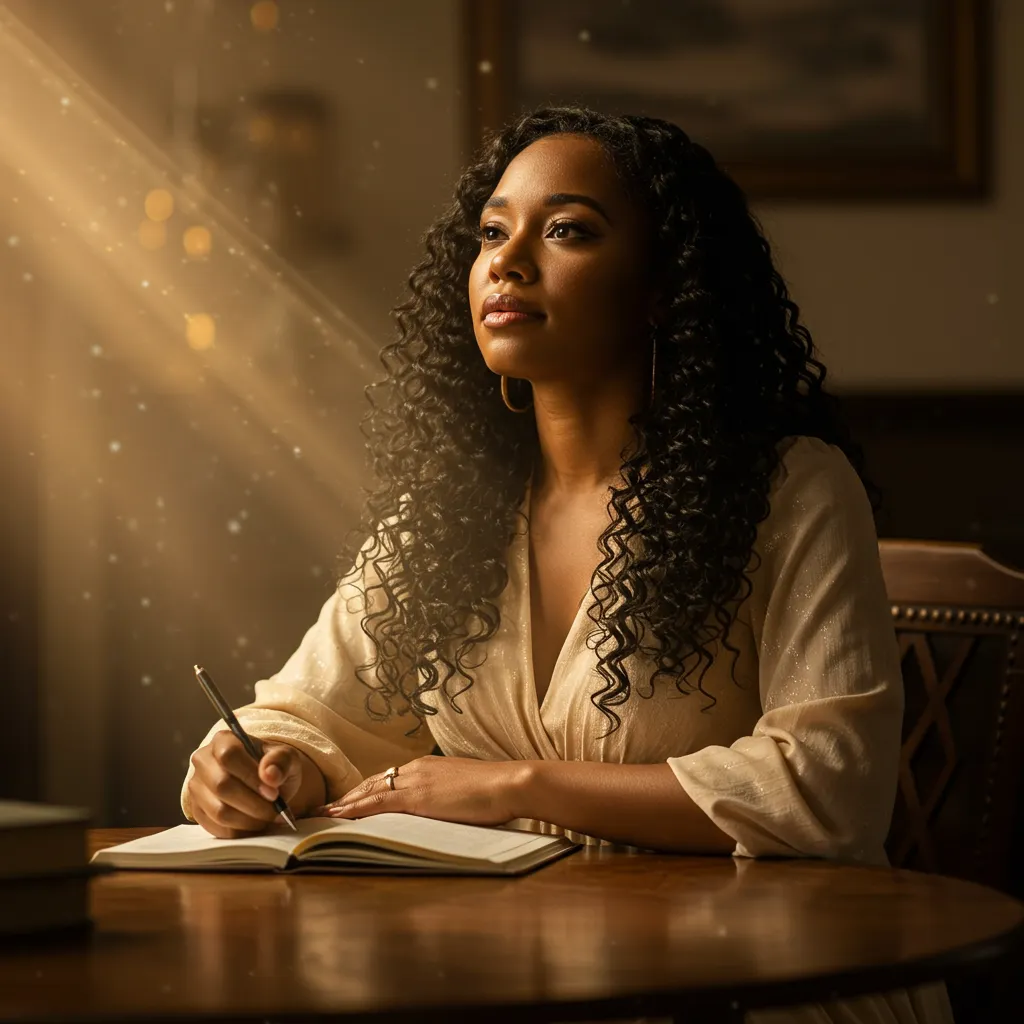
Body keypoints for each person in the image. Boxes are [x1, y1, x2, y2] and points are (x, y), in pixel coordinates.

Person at [181, 107, 952, 1024]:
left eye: (567, 231)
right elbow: (311, 711)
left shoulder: (791, 492)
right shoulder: (446, 517)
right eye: (492, 234)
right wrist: (265, 764)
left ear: (665, 285)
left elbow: (827, 789)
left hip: (757, 980)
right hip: (514, 972)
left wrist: (513, 784)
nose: (507, 262)